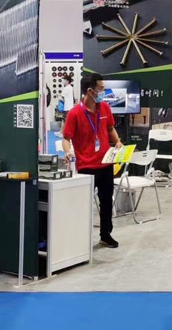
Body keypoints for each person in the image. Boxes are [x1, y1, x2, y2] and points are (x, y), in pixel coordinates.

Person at [62, 73, 123, 248]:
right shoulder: (75, 114)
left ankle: (106, 235)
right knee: (83, 204)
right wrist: (67, 151)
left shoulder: (105, 108)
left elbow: (110, 128)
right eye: (101, 88)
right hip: (86, 166)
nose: (104, 92)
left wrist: (117, 142)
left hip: (105, 163)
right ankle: (80, 238)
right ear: (90, 91)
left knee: (106, 202)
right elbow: (66, 137)